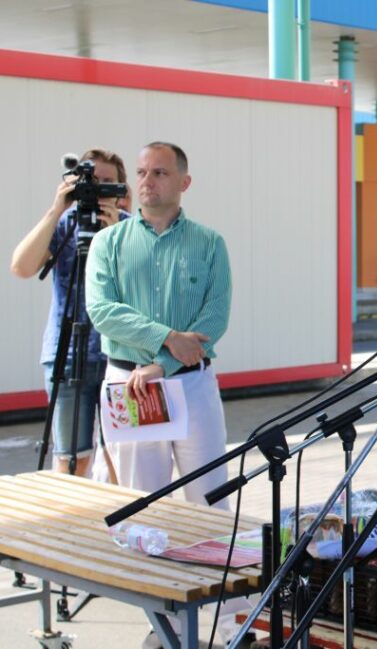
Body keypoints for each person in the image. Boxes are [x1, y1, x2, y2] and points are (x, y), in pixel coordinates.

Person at [85, 142, 254, 648]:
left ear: (184, 181)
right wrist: (165, 337)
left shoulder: (209, 243)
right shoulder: (108, 244)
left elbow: (214, 319)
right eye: (141, 172)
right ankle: (163, 625)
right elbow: (102, 311)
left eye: (159, 172)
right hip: (130, 386)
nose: (146, 181)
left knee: (208, 501)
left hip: (189, 384)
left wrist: (167, 360)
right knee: (145, 506)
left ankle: (230, 625)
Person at [10, 149, 129, 477]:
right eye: (92, 183)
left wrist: (114, 233)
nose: (98, 190)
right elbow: (21, 266)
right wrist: (56, 208)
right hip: (66, 353)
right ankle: (67, 523)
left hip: (117, 357)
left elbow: (141, 288)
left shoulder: (131, 229)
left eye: (108, 183)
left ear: (121, 190)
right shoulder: (66, 225)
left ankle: (119, 524)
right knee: (71, 457)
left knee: (120, 455)